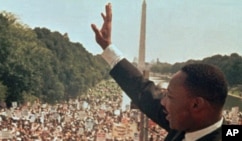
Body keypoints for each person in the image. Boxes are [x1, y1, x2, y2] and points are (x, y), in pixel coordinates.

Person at [91, 3, 228, 141]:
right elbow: (143, 90)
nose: (162, 102)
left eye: (170, 96)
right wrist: (108, 47)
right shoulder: (188, 122)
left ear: (196, 105)